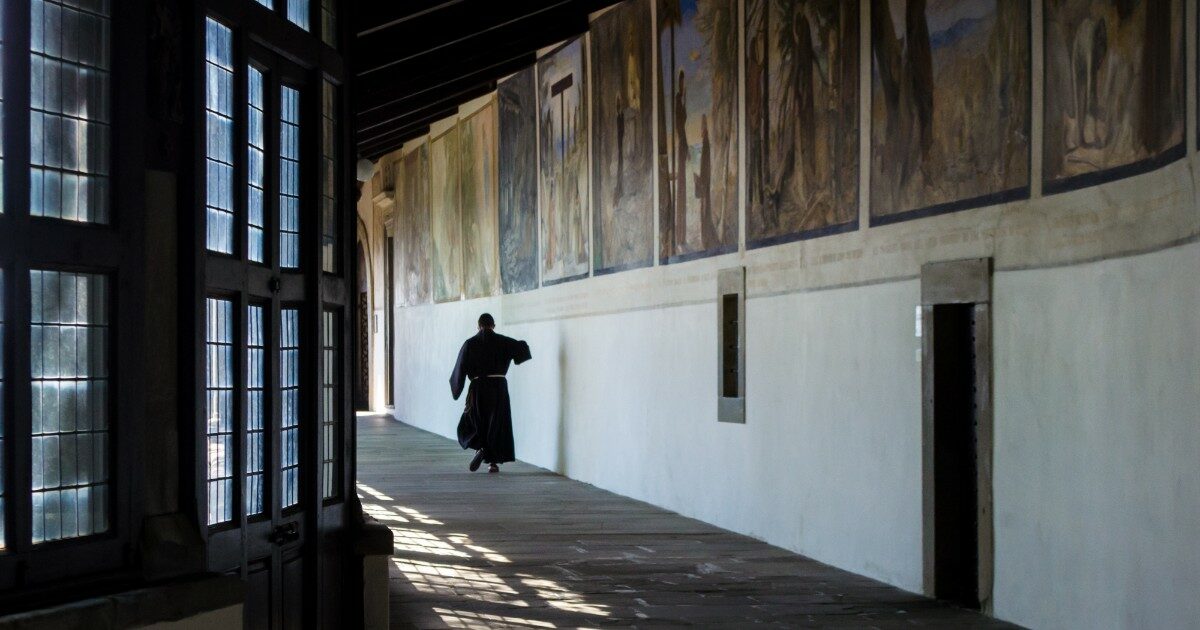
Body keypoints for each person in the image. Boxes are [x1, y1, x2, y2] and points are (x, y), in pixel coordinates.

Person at [450, 313, 532, 473]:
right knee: (497, 423)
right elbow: (522, 350)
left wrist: (457, 389)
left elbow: (459, 368)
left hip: (478, 387)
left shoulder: (470, 343)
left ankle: (480, 448)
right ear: (493, 326)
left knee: (476, 421)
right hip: (498, 387)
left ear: (478, 326)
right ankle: (493, 463)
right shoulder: (504, 341)